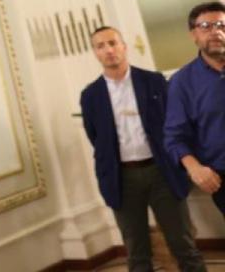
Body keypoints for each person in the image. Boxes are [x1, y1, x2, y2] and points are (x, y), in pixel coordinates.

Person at [80, 26, 204, 272]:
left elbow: (175, 124)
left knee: (183, 243)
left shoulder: (154, 82)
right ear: (95, 53)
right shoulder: (90, 96)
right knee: (136, 252)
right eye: (101, 46)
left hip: (162, 173)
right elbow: (97, 138)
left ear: (124, 46)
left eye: (113, 43)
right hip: (122, 179)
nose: (109, 50)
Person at [165, 1, 225, 217]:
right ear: (193, 35)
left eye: (221, 25)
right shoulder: (181, 83)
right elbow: (174, 137)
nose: (215, 31)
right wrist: (194, 168)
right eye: (206, 27)